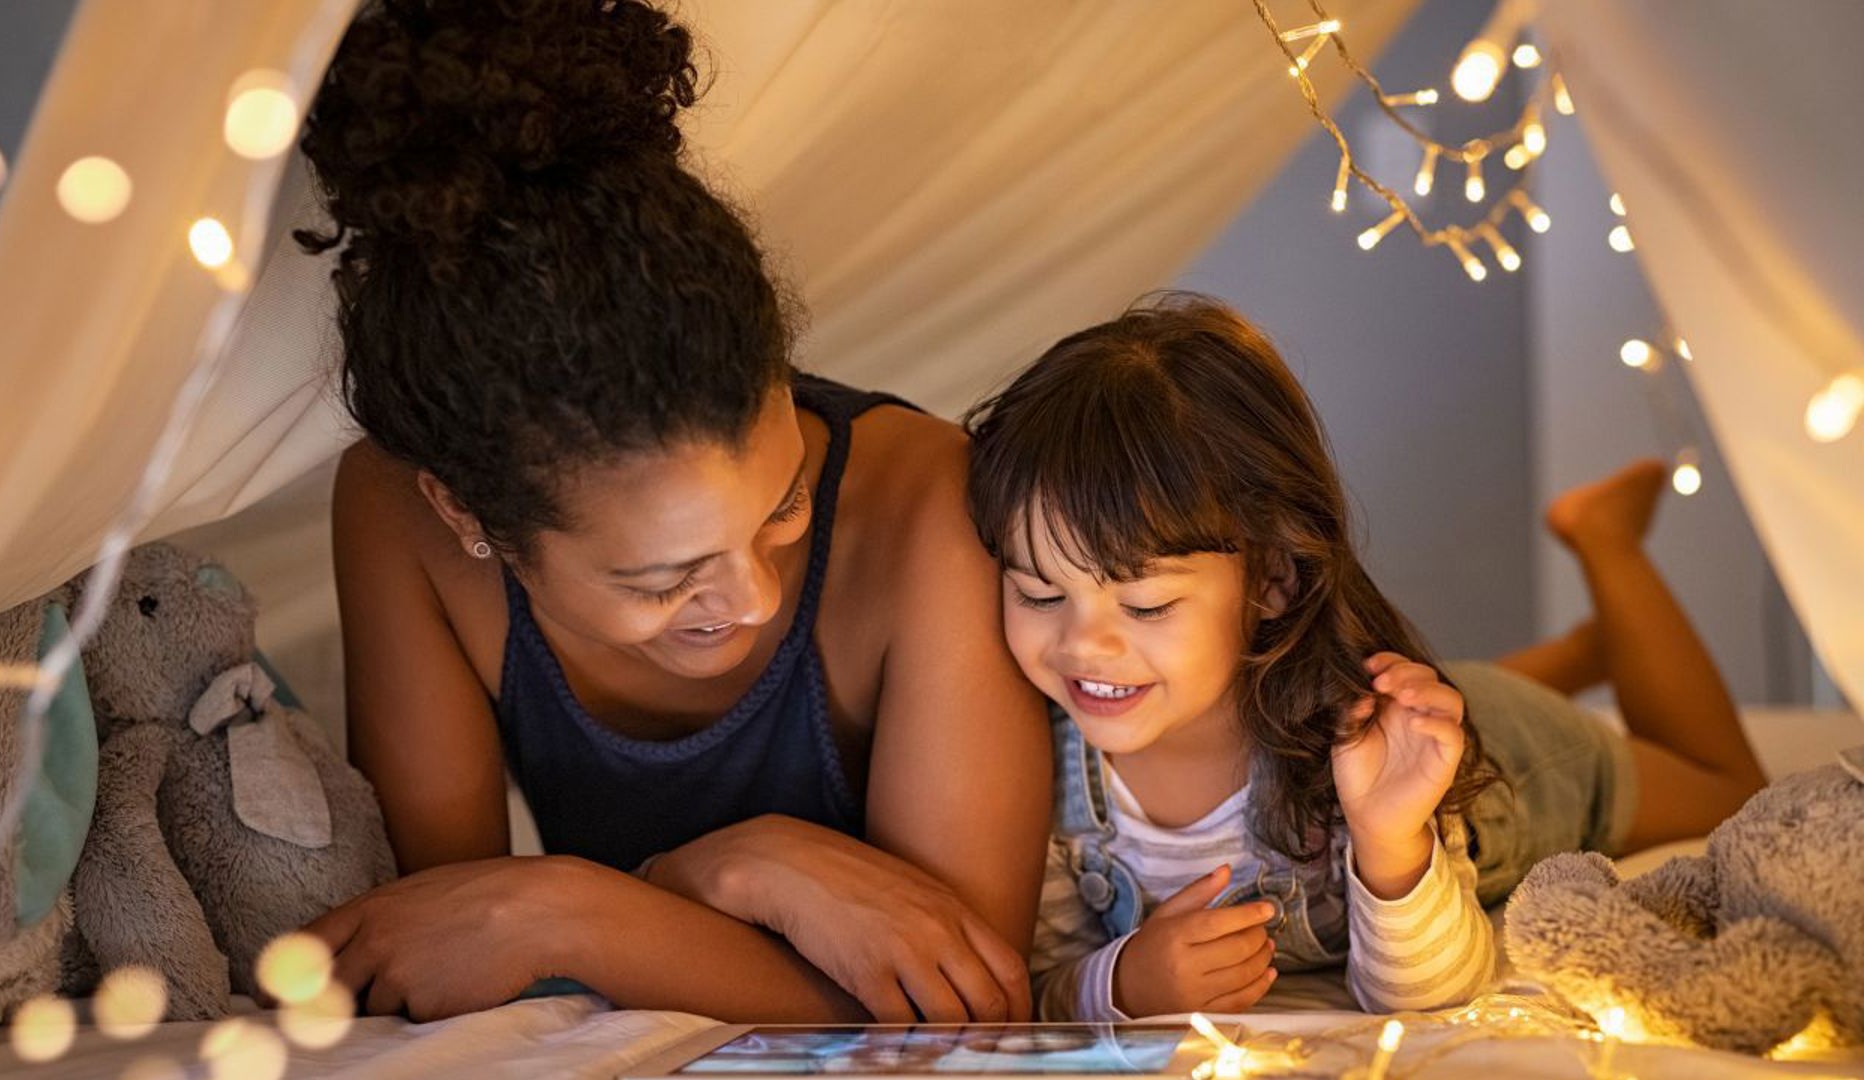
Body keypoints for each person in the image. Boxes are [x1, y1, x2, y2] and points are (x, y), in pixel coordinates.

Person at [294, 0, 1049, 1023]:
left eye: (783, 508)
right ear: (468, 511)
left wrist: (589, 904)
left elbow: (964, 1007)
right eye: (660, 581)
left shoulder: (927, 511)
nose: (749, 593)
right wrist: (713, 883)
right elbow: (444, 946)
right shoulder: (399, 518)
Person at [960, 293, 1766, 1019]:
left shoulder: (1359, 755)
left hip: (1506, 761)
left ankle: (1606, 540)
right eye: (1037, 593)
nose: (1081, 643)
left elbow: (1434, 989)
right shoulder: (1041, 767)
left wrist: (1389, 842)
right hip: (1389, 697)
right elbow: (1037, 979)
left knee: (1730, 788)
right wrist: (1121, 983)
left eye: (1146, 606)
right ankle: (1585, 652)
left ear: (1272, 577)